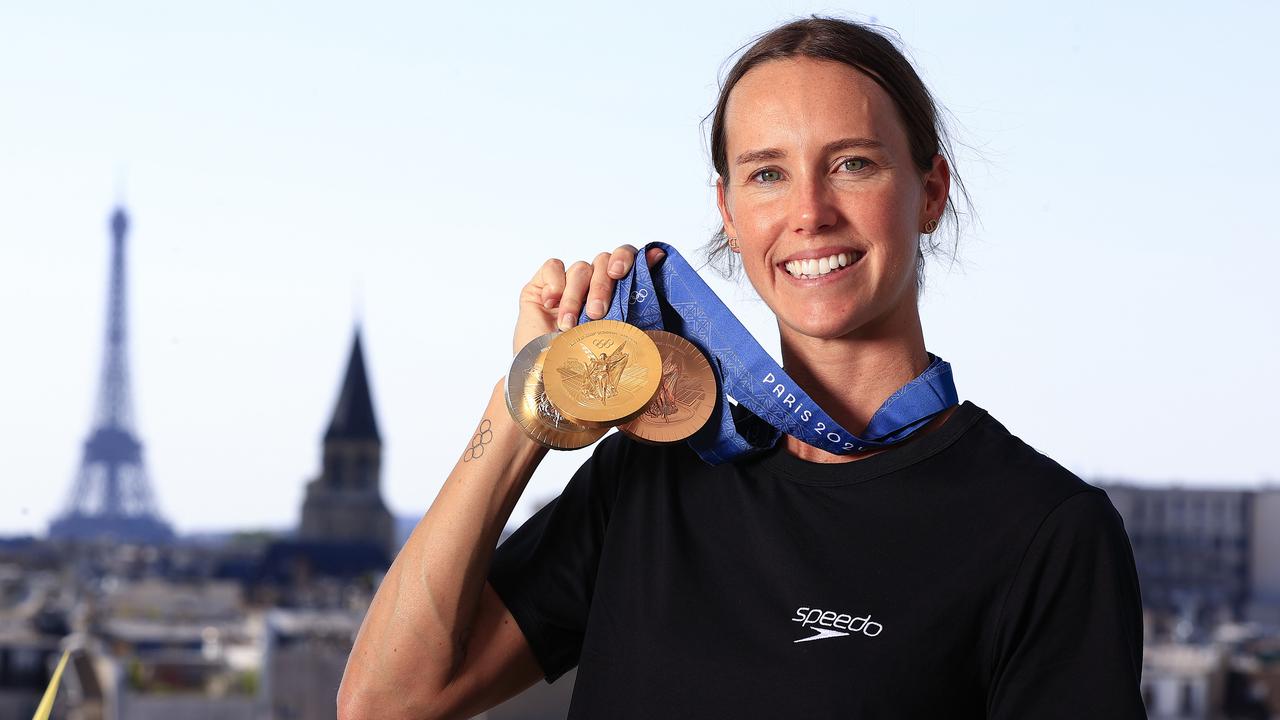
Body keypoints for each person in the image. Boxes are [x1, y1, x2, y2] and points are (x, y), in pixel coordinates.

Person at [337, 17, 1146, 720]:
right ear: (727, 210)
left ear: (929, 191)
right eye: (767, 173)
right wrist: (532, 399)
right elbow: (386, 702)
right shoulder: (648, 481)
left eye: (853, 163)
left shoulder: (1045, 532)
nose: (808, 213)